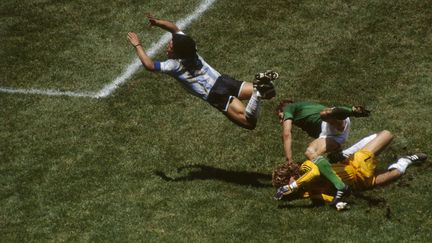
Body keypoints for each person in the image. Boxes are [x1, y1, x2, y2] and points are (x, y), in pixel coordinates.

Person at [127, 15, 278, 130]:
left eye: (171, 44)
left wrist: (138, 45)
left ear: (176, 52)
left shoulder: (174, 66)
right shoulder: (191, 49)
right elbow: (173, 28)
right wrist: (158, 23)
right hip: (224, 80)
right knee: (270, 93)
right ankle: (260, 89)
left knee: (249, 122)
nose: (169, 44)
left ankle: (257, 93)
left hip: (215, 93)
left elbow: (149, 65)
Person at [272, 130, 427, 209]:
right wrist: (337, 203)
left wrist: (293, 185)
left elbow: (315, 172)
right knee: (396, 173)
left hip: (358, 165)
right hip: (358, 184)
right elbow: (320, 196)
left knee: (387, 134)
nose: (285, 186)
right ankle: (407, 160)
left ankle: (348, 152)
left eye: (285, 182)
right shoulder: (304, 191)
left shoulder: (307, 167)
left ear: (292, 176)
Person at [276, 99, 371, 204]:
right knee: (310, 152)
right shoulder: (305, 115)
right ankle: (340, 185)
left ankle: (352, 111)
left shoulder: (289, 107)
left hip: (334, 120)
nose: (281, 121)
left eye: (281, 117)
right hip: (332, 135)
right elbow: (323, 137)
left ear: (284, 109)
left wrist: (289, 161)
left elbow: (286, 134)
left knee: (324, 114)